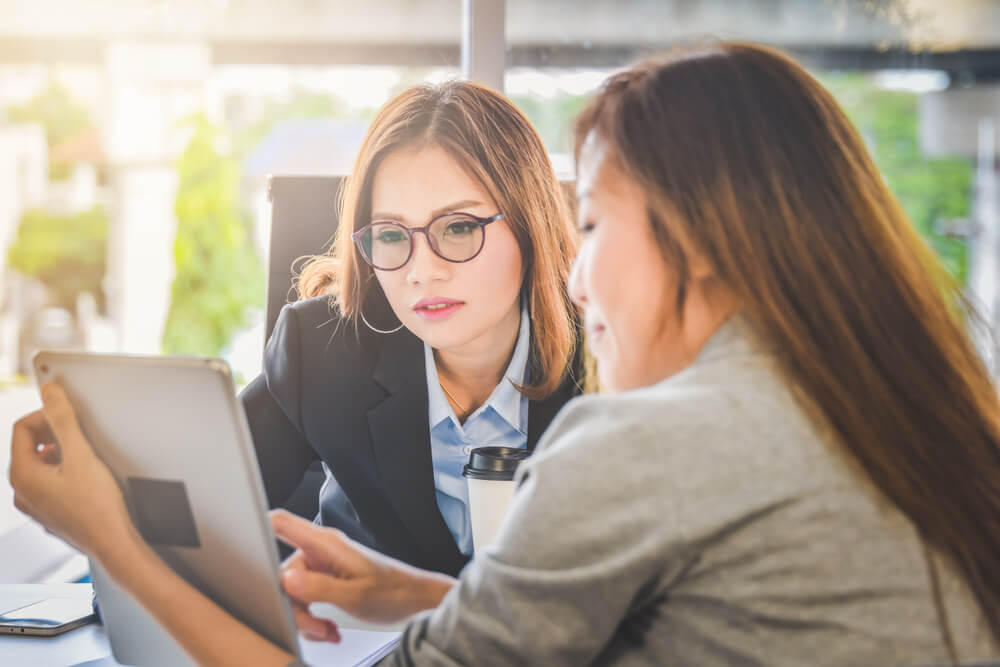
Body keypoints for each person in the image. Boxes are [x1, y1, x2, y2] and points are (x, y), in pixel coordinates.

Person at [10, 41, 1000, 665]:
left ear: (698, 241)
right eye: (389, 236)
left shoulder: (639, 437)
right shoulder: (884, 405)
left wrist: (112, 539)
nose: (577, 277)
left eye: (593, 227)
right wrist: (435, 598)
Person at [241, 79, 583, 576]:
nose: (422, 271)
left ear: (531, 224)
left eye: (459, 227)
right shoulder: (322, 350)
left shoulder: (615, 360)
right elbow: (193, 516)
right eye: (391, 234)